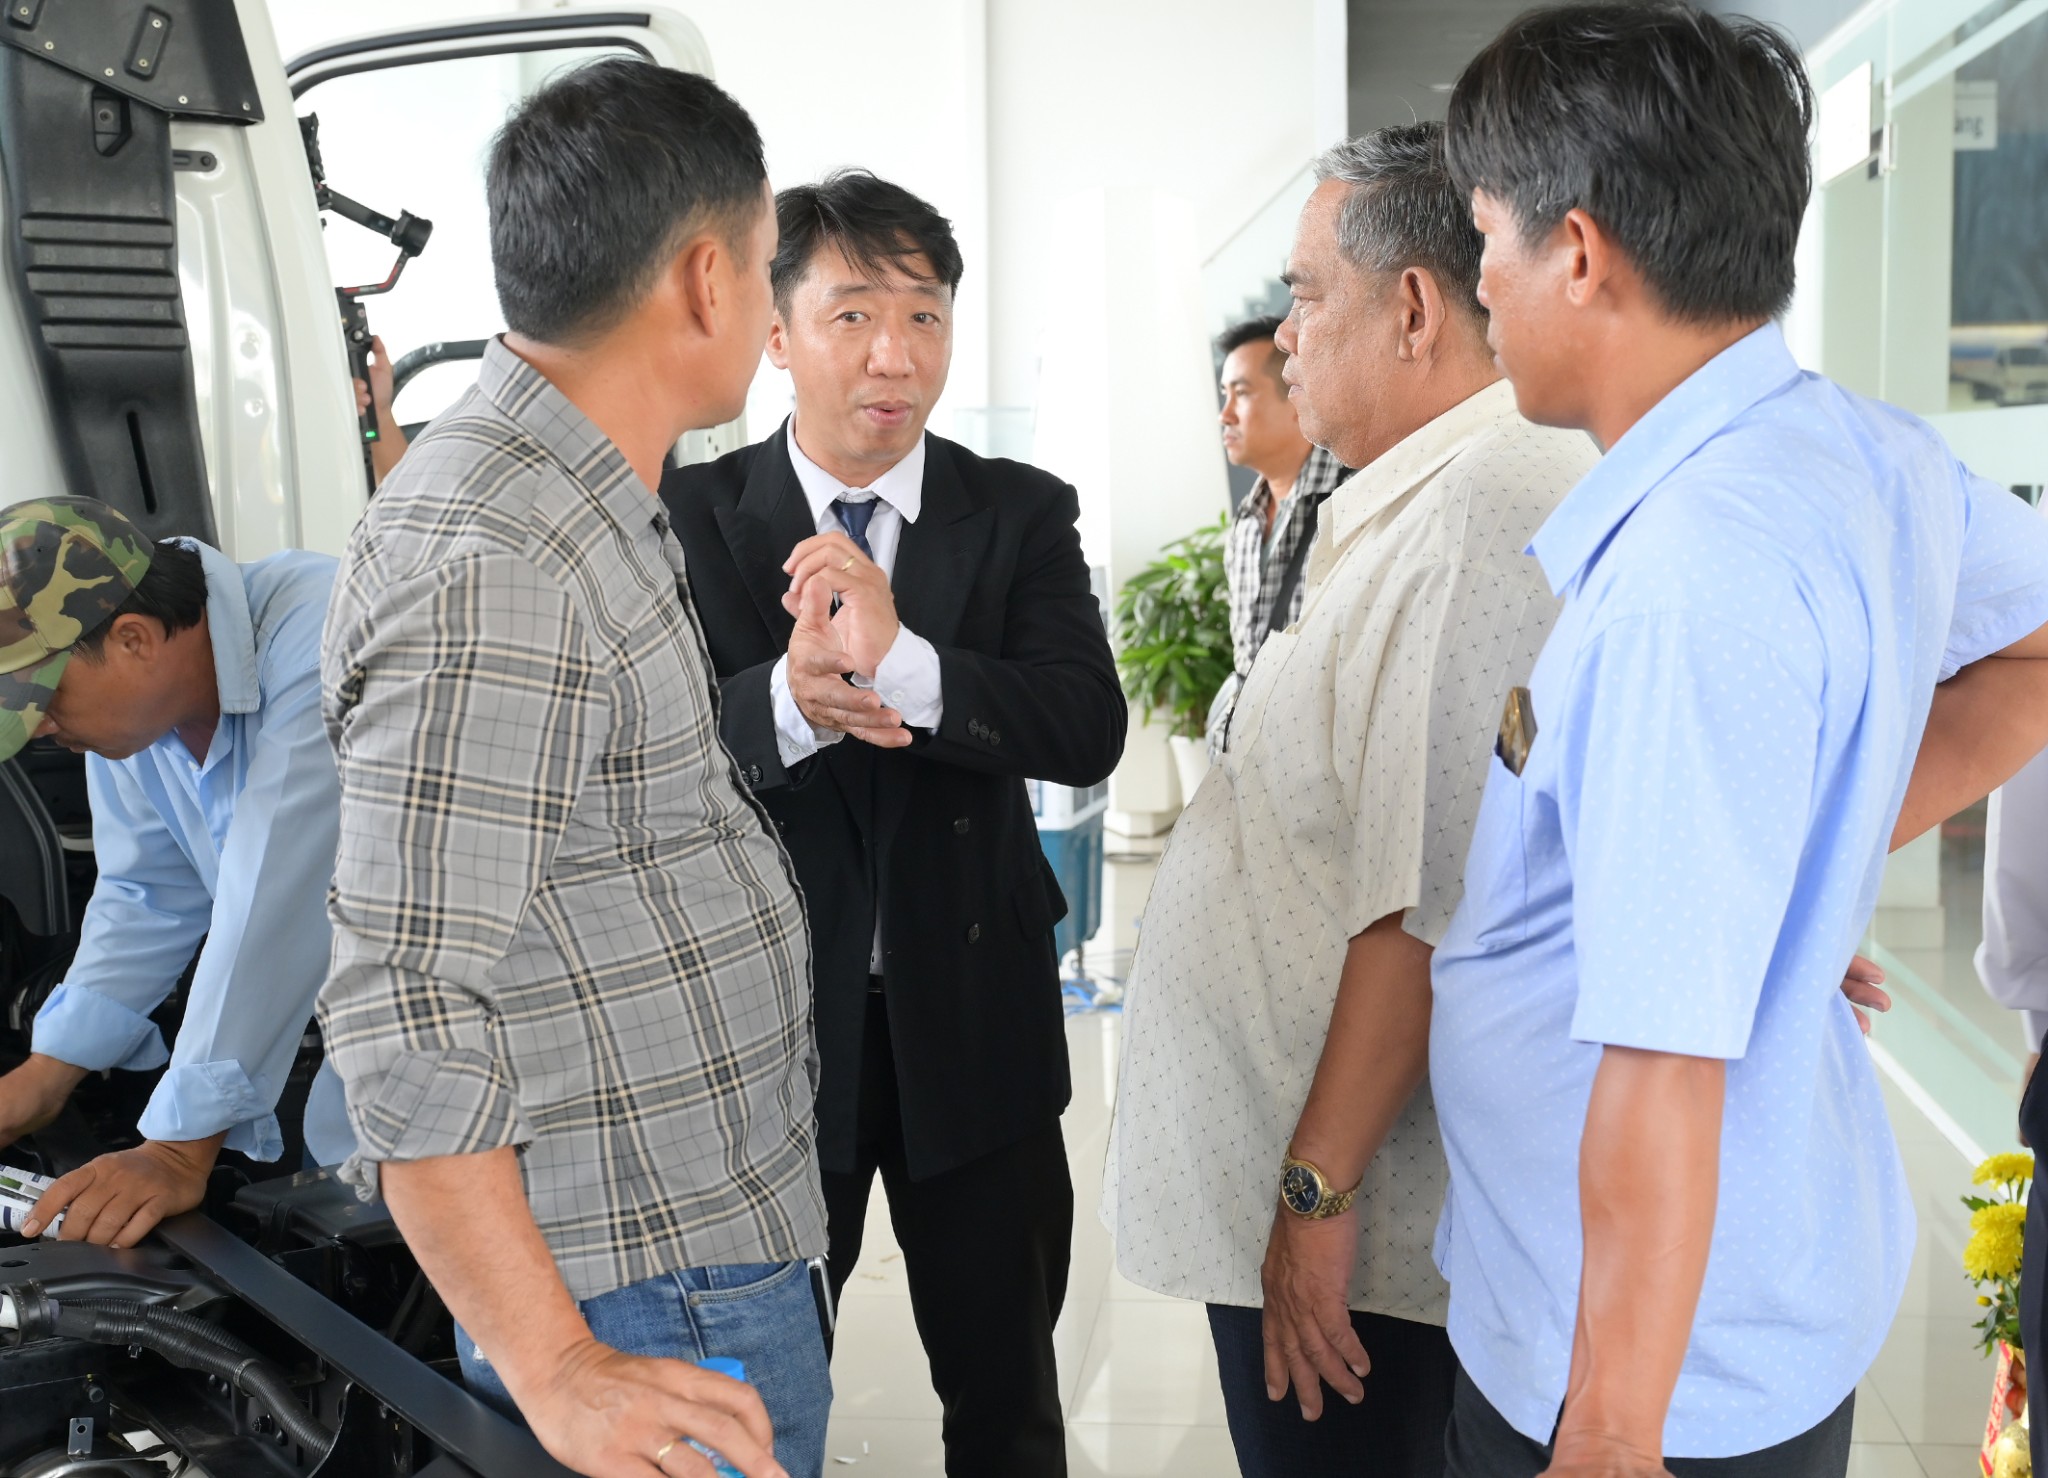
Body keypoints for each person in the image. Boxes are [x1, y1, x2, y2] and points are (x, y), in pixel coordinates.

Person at [1427, 7, 2048, 1476]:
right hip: (1732, 1308)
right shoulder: (1861, 450)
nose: (1481, 283)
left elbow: (1663, 1063)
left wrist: (1611, 1429)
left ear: (1580, 253)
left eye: (1489, 238)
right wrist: (1783, 863)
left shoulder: (1688, 581)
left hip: (1632, 1371)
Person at [317, 59, 822, 1478]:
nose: (773, 308)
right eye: (771, 268)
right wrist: (556, 1362)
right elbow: (404, 994)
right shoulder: (498, 555)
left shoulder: (573, 495)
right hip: (643, 1294)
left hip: (693, 1245)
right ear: (708, 280)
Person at [1104, 123, 1597, 1478]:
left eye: (1306, 293)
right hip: (1334, 1201)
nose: (1287, 334)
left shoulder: (1485, 506)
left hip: (1370, 1244)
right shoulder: (1407, 500)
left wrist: (1314, 1192)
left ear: (1415, 308)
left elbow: (1427, 903)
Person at [660, 168, 1125, 1477]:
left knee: (1006, 1397)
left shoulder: (1018, 510)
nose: (894, 354)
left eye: (925, 315)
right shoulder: (686, 514)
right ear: (775, 332)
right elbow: (640, 750)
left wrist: (907, 661)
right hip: (765, 1035)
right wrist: (787, 704)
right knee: (744, 1398)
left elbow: (1084, 723)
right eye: (853, 313)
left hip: (974, 1022)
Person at [0, 495, 352, 1246]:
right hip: (379, 1088)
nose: (42, 728)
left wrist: (176, 1149)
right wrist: (44, 1077)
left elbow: (277, 901)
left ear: (132, 638)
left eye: (43, 701)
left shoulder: (326, 638)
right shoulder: (138, 713)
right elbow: (148, 894)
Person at [1217, 314, 1351, 685]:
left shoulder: (1352, 501)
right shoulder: (1246, 524)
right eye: (1225, 395)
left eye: (1242, 394)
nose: (1224, 415)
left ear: (1295, 394)